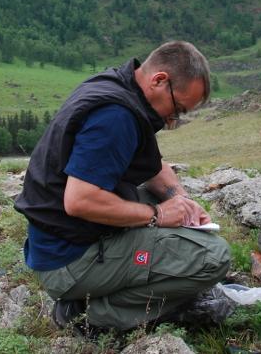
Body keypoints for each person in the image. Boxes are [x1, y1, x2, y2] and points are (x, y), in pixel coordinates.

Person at [14, 41, 231, 331]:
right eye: (177, 109)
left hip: (59, 242)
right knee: (213, 258)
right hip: (68, 261)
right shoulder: (116, 117)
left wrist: (181, 200)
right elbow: (79, 201)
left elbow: (154, 167)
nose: (172, 121)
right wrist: (157, 215)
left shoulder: (119, 86)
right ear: (159, 80)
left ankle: (105, 293)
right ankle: (91, 315)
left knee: (171, 218)